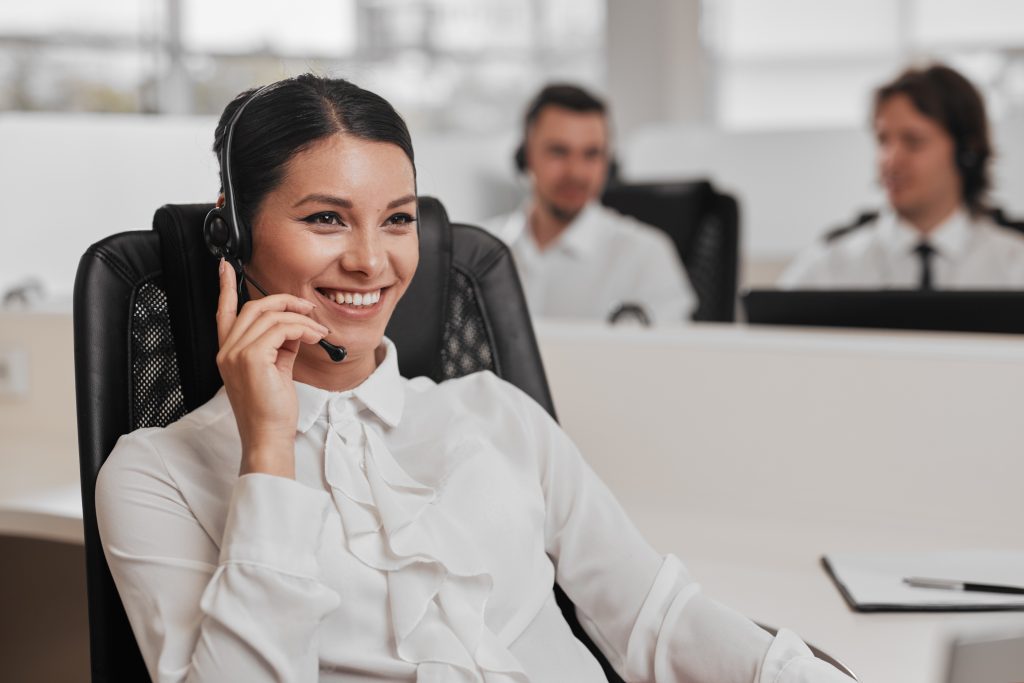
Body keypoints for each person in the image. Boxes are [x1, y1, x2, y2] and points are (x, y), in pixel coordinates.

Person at [96, 74, 850, 682]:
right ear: (233, 230)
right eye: (327, 218)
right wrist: (269, 452)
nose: (371, 260)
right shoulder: (153, 474)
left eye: (396, 219)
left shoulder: (493, 411)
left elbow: (655, 618)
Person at [780, 63, 1024, 289]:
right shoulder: (829, 267)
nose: (891, 160)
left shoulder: (1014, 265)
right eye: (883, 141)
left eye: (913, 142)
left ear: (967, 152)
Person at [482, 84, 696, 324]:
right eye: (559, 152)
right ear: (526, 156)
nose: (576, 173)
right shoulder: (477, 253)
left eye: (591, 154)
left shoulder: (645, 257)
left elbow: (669, 358)